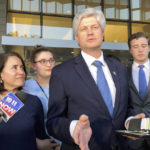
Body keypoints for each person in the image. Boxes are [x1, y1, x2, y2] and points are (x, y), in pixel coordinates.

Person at [46, 8, 129, 150]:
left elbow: (127, 108)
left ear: (102, 33)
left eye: (95, 27)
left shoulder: (120, 68)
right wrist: (73, 128)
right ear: (77, 37)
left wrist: (131, 120)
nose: (90, 32)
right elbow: (53, 121)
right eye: (84, 28)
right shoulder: (62, 73)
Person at [0, 52, 58, 150]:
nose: (21, 72)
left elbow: (42, 136)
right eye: (14, 67)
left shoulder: (31, 101)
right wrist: (35, 142)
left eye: (22, 67)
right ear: (1, 74)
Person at [23, 46, 61, 149]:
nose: (49, 64)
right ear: (33, 66)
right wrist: (36, 143)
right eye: (43, 61)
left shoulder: (64, 85)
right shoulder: (23, 87)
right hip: (39, 144)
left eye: (51, 60)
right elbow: (4, 117)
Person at [127, 32, 150, 150]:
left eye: (143, 46)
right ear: (130, 50)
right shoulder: (122, 73)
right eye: (135, 47)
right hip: (133, 136)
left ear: (149, 47)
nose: (140, 50)